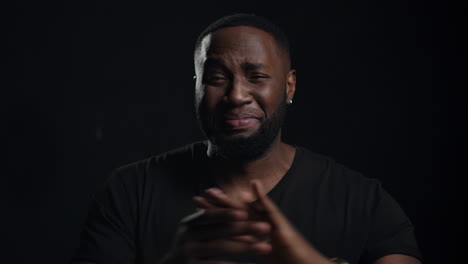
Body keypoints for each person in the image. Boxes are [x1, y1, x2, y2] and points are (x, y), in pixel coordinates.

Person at [72, 13, 423, 264]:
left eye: (256, 76)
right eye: (216, 78)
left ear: (289, 86)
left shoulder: (363, 201)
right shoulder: (130, 192)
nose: (237, 95)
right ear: (195, 87)